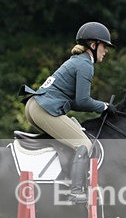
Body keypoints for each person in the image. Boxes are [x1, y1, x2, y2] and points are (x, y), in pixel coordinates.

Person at [24, 22, 113, 204]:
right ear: (93, 45)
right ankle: (77, 192)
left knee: (75, 133)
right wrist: (104, 107)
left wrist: (100, 106)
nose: (106, 51)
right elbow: (82, 101)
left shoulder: (76, 61)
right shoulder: (85, 65)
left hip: (34, 106)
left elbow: (74, 103)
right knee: (84, 145)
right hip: (43, 109)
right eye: (104, 46)